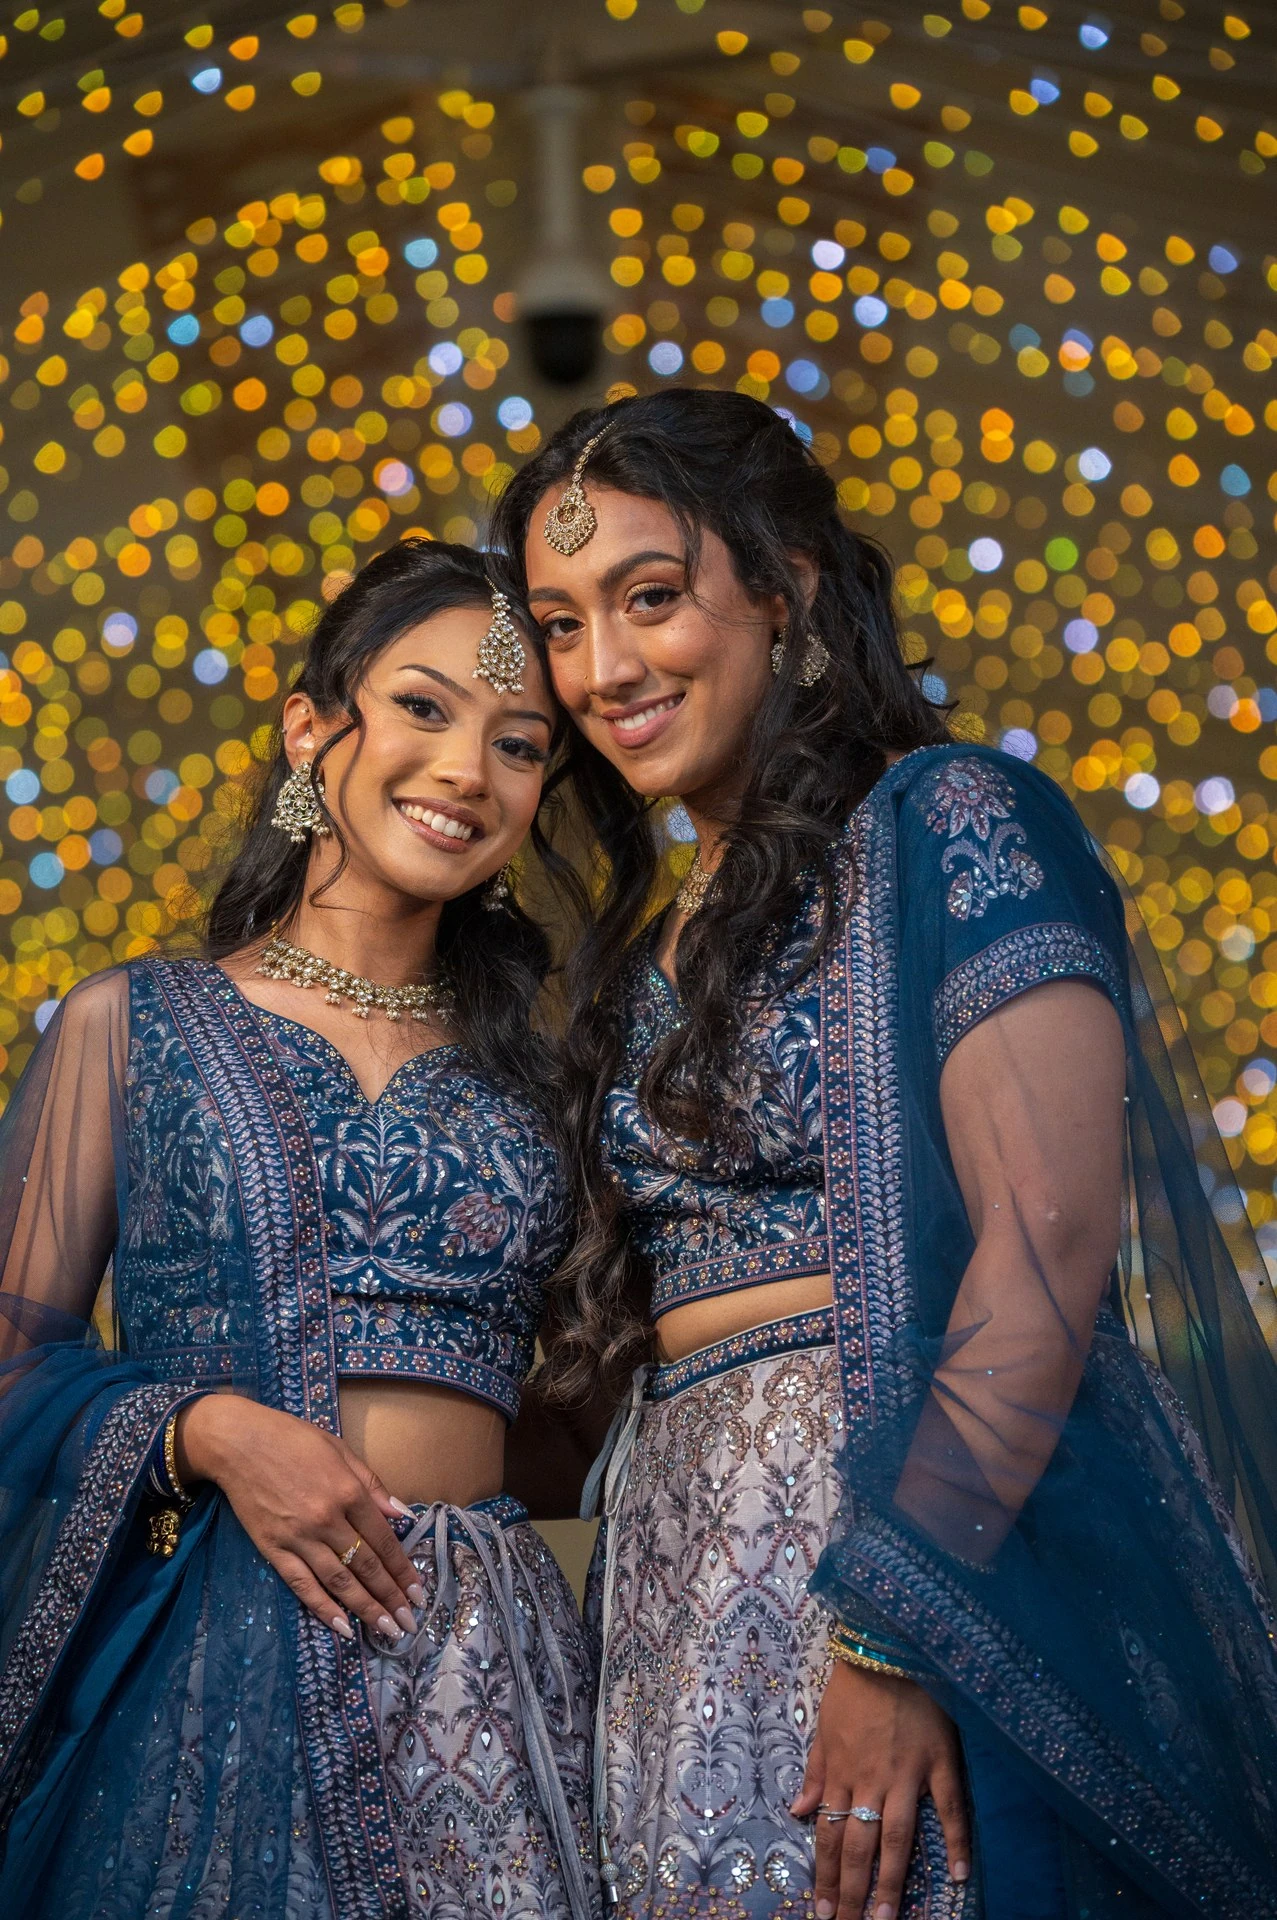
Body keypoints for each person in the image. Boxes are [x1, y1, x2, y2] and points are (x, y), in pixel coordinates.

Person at [491, 389, 1277, 1920]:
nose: (602, 670)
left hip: (914, 1564)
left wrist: (899, 1628)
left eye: (650, 600)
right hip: (677, 1589)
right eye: (561, 625)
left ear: (784, 592)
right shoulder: (647, 943)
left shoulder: (953, 822)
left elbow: (1041, 1253)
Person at [0, 539, 600, 1920]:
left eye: (521, 745)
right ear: (310, 727)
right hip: (217, 1656)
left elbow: (584, 1409)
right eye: (424, 708)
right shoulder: (133, 1023)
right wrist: (205, 1430)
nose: (467, 771)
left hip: (487, 1671)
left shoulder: (552, 1073)